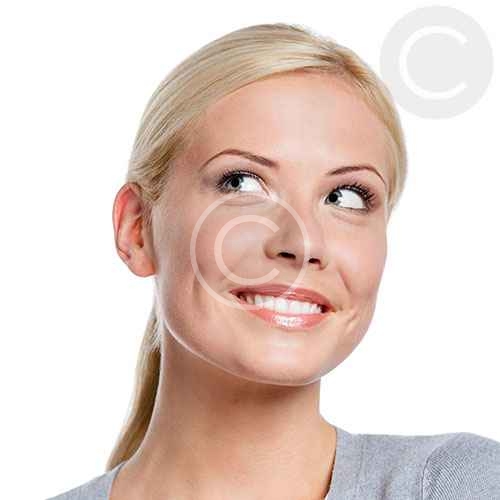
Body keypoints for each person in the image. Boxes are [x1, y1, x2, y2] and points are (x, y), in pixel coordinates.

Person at [47, 22, 500, 500]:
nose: (302, 243)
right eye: (241, 182)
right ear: (137, 229)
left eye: (346, 196)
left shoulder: (459, 485)